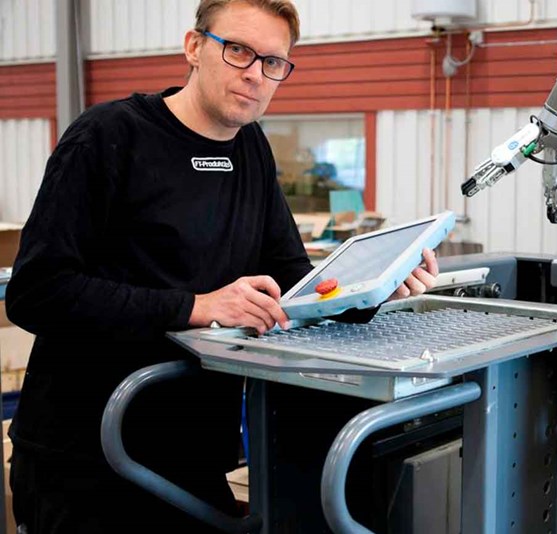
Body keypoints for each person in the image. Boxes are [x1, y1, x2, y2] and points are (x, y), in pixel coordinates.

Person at [4, 1, 438, 532]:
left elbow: (293, 284)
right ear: (194, 47)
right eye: (238, 51)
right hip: (88, 461)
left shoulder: (251, 148)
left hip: (192, 459)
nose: (255, 74)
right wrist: (198, 306)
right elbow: (37, 291)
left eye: (273, 62)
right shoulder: (108, 136)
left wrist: (373, 291)